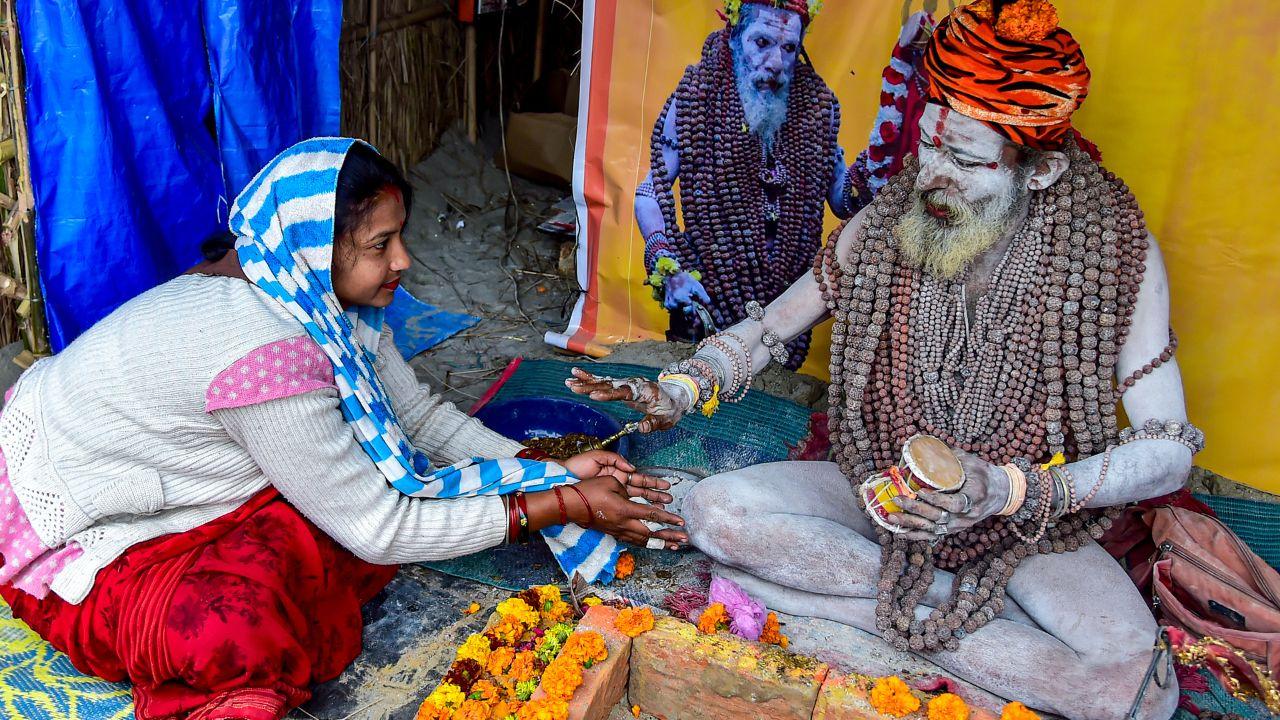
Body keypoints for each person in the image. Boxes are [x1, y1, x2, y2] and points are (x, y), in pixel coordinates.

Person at [571, 1, 1194, 717]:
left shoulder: (1115, 252)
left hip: (1030, 523)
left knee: (1135, 694)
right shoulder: (895, 214)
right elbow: (775, 328)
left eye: (964, 159)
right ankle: (934, 613)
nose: (933, 174)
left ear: (1042, 171)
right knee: (715, 513)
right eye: (929, 145)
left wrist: (1008, 491)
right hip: (882, 491)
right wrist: (682, 387)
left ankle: (847, 607)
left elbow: (1166, 451)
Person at [0, 138, 686, 720]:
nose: (403, 263)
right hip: (72, 527)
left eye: (400, 238)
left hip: (170, 480)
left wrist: (550, 469)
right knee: (233, 627)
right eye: (380, 245)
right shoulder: (260, 348)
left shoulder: (311, 294)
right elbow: (378, 526)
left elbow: (415, 419)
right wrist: (556, 507)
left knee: (355, 504)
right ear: (312, 245)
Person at [636, 0, 872, 366]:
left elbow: (843, 203)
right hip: (709, 299)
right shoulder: (695, 100)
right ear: (734, 38)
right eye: (762, 43)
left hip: (786, 307)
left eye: (789, 47)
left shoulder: (817, 112)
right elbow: (650, 194)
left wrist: (883, 153)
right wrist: (667, 265)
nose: (776, 63)